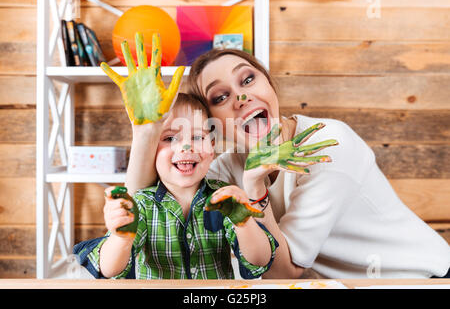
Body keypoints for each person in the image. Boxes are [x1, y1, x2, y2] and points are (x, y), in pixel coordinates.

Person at [127, 47, 450, 279]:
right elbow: (150, 204)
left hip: (419, 277)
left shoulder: (328, 143)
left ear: (269, 84)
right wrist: (146, 133)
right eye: (220, 97)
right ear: (213, 124)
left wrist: (255, 189)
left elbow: (284, 271)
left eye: (248, 80)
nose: (241, 98)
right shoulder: (227, 167)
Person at [73, 93, 278, 279]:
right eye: (170, 138)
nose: (185, 147)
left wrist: (244, 222)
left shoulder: (224, 198)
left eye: (198, 137)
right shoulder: (142, 204)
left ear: (212, 148)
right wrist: (121, 238)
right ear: (151, 148)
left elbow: (259, 261)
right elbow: (109, 270)